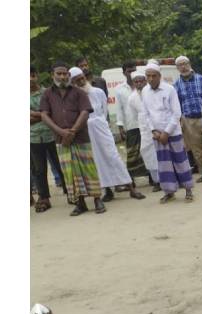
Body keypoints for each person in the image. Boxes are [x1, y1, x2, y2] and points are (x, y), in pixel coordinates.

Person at [39, 61, 105, 215]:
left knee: (89, 169)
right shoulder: (47, 94)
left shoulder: (78, 92)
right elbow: (44, 115)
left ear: (69, 75)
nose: (62, 77)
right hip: (62, 141)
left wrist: (73, 131)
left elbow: (85, 112)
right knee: (70, 173)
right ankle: (80, 203)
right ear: (52, 75)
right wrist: (61, 133)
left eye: (65, 74)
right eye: (59, 74)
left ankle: (97, 200)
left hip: (81, 137)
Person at [71, 68, 145, 202]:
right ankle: (108, 191)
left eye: (83, 78)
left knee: (113, 156)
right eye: (78, 80)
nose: (82, 81)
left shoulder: (98, 92)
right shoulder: (74, 96)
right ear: (73, 83)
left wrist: (101, 125)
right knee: (97, 162)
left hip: (101, 128)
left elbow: (104, 112)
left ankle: (131, 188)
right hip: (86, 131)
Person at [142, 61, 195, 203]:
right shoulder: (145, 91)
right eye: (148, 76)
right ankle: (169, 191)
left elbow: (176, 113)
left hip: (173, 133)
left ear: (160, 76)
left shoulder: (169, 89)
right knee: (164, 165)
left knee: (180, 161)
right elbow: (146, 114)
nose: (151, 79)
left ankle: (188, 189)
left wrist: (166, 132)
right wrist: (154, 131)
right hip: (157, 135)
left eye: (154, 76)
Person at [31, 66, 67, 212]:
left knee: (61, 165)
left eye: (33, 75)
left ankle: (70, 191)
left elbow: (53, 112)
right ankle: (44, 198)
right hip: (32, 138)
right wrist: (43, 115)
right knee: (39, 169)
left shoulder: (47, 93)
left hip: (52, 134)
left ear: (37, 76)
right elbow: (45, 114)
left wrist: (37, 115)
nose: (30, 79)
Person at [174, 55, 202, 182]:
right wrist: (180, 121)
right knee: (197, 149)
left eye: (185, 63)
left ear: (190, 64)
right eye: (180, 65)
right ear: (177, 68)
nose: (183, 67)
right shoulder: (176, 85)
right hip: (189, 120)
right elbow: (176, 104)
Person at [113, 61, 148, 181]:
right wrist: (120, 126)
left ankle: (152, 178)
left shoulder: (144, 85)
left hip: (145, 124)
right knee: (133, 153)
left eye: (134, 70)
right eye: (129, 71)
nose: (132, 73)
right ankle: (132, 180)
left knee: (147, 151)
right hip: (131, 125)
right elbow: (119, 109)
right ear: (124, 73)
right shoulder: (119, 89)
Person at [128, 69, 161, 191]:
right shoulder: (131, 98)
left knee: (162, 152)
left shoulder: (152, 92)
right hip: (144, 130)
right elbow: (134, 116)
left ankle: (169, 178)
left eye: (141, 81)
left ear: (145, 81)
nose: (139, 84)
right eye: (136, 82)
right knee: (147, 153)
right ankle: (157, 181)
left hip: (157, 125)